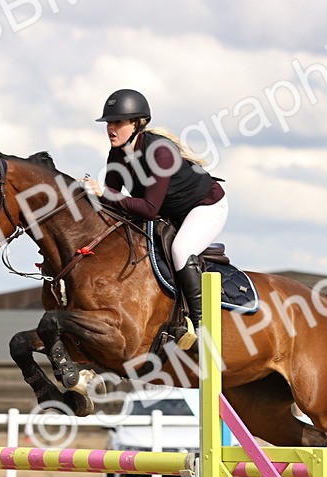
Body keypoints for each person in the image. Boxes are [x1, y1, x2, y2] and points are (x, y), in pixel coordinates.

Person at [81, 89, 227, 344]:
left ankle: (202, 325)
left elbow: (149, 209)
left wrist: (103, 192)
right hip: (171, 213)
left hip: (205, 207)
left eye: (117, 122)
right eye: (108, 123)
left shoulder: (161, 151)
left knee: (181, 250)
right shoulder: (117, 153)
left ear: (137, 123)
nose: (110, 128)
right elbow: (112, 203)